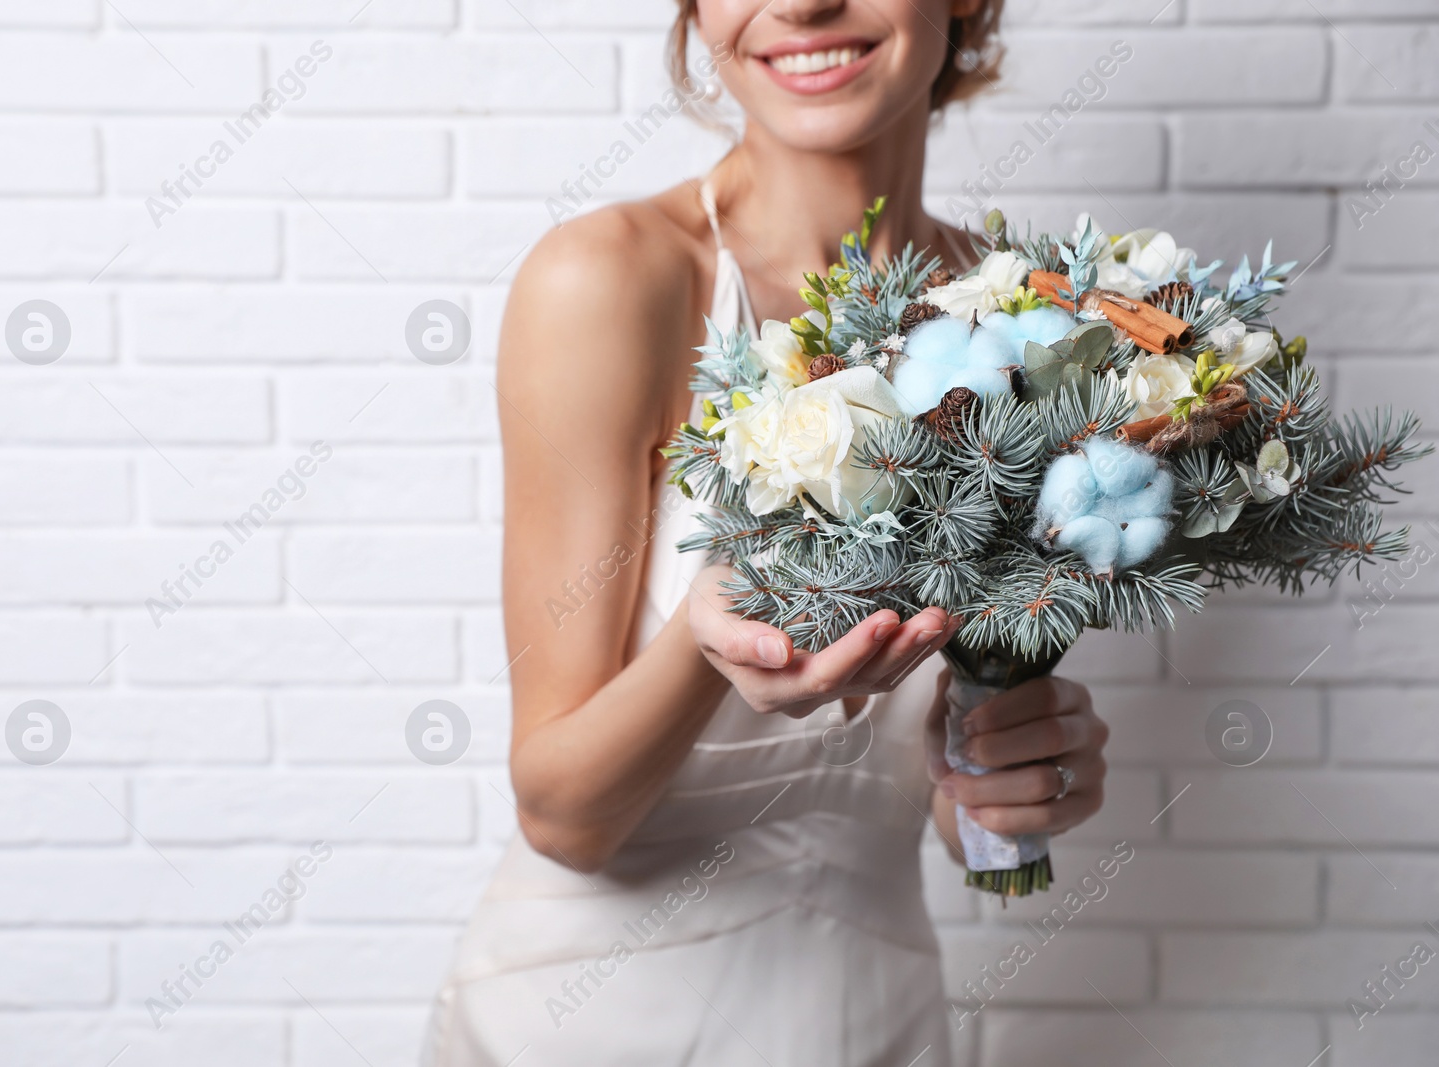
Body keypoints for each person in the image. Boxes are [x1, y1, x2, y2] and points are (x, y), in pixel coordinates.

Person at [423, 2, 1109, 1063]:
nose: (801, 4)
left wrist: (1008, 784)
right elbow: (564, 818)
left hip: (875, 1012)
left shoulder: (1027, 326)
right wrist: (712, 636)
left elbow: (944, 808)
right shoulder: (613, 279)